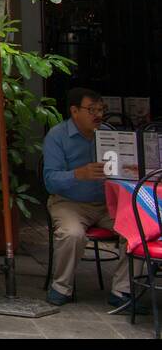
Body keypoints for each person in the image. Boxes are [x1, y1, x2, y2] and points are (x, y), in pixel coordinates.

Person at [42, 87, 132, 308]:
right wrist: (78, 174)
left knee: (136, 232)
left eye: (101, 109)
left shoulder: (108, 133)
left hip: (106, 204)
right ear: (74, 111)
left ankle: (122, 291)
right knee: (72, 233)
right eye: (92, 110)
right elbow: (50, 180)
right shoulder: (57, 136)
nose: (98, 115)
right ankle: (61, 287)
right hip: (68, 202)